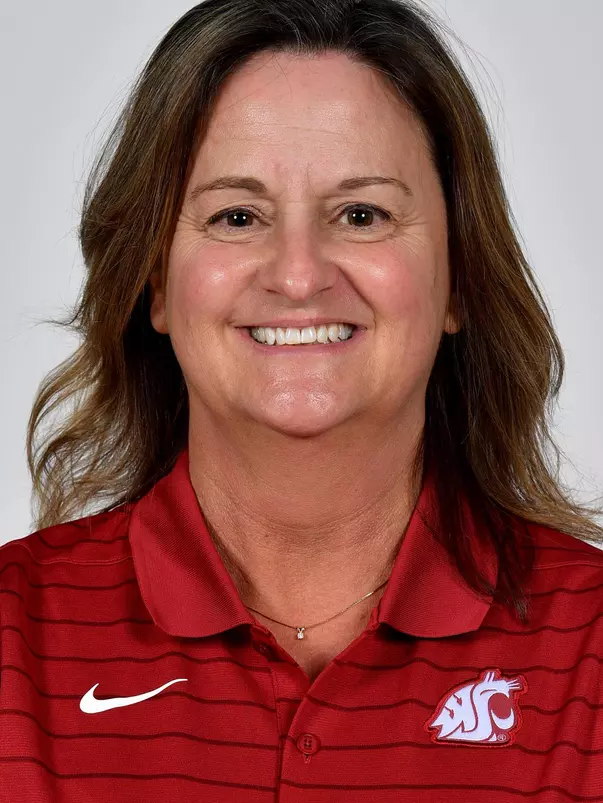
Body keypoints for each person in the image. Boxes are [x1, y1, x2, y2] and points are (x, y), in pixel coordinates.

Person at [1, 0, 602, 800]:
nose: (296, 274)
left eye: (361, 214)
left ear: (457, 279)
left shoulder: (591, 647)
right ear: (156, 282)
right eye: (236, 216)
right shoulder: (13, 641)